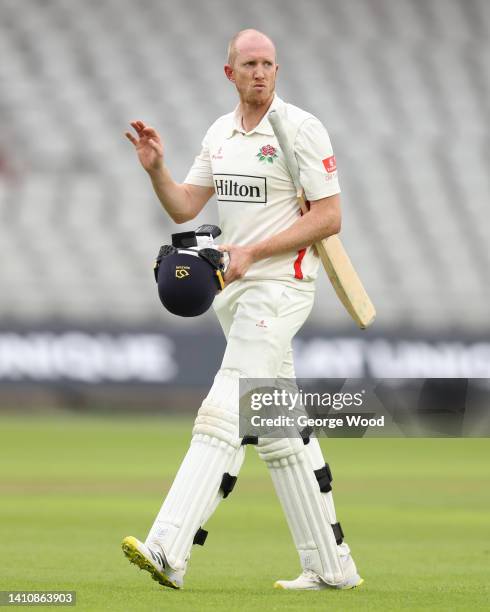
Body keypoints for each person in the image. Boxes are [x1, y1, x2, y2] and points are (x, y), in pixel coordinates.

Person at [122, 28, 363, 592]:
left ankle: (169, 548)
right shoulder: (220, 132)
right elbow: (186, 204)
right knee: (277, 429)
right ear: (229, 72)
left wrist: (254, 250)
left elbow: (329, 217)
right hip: (232, 291)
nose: (261, 72)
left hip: (282, 287)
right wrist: (157, 169)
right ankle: (332, 568)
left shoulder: (299, 128)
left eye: (269, 64)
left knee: (223, 406)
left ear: (277, 71)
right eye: (250, 64)